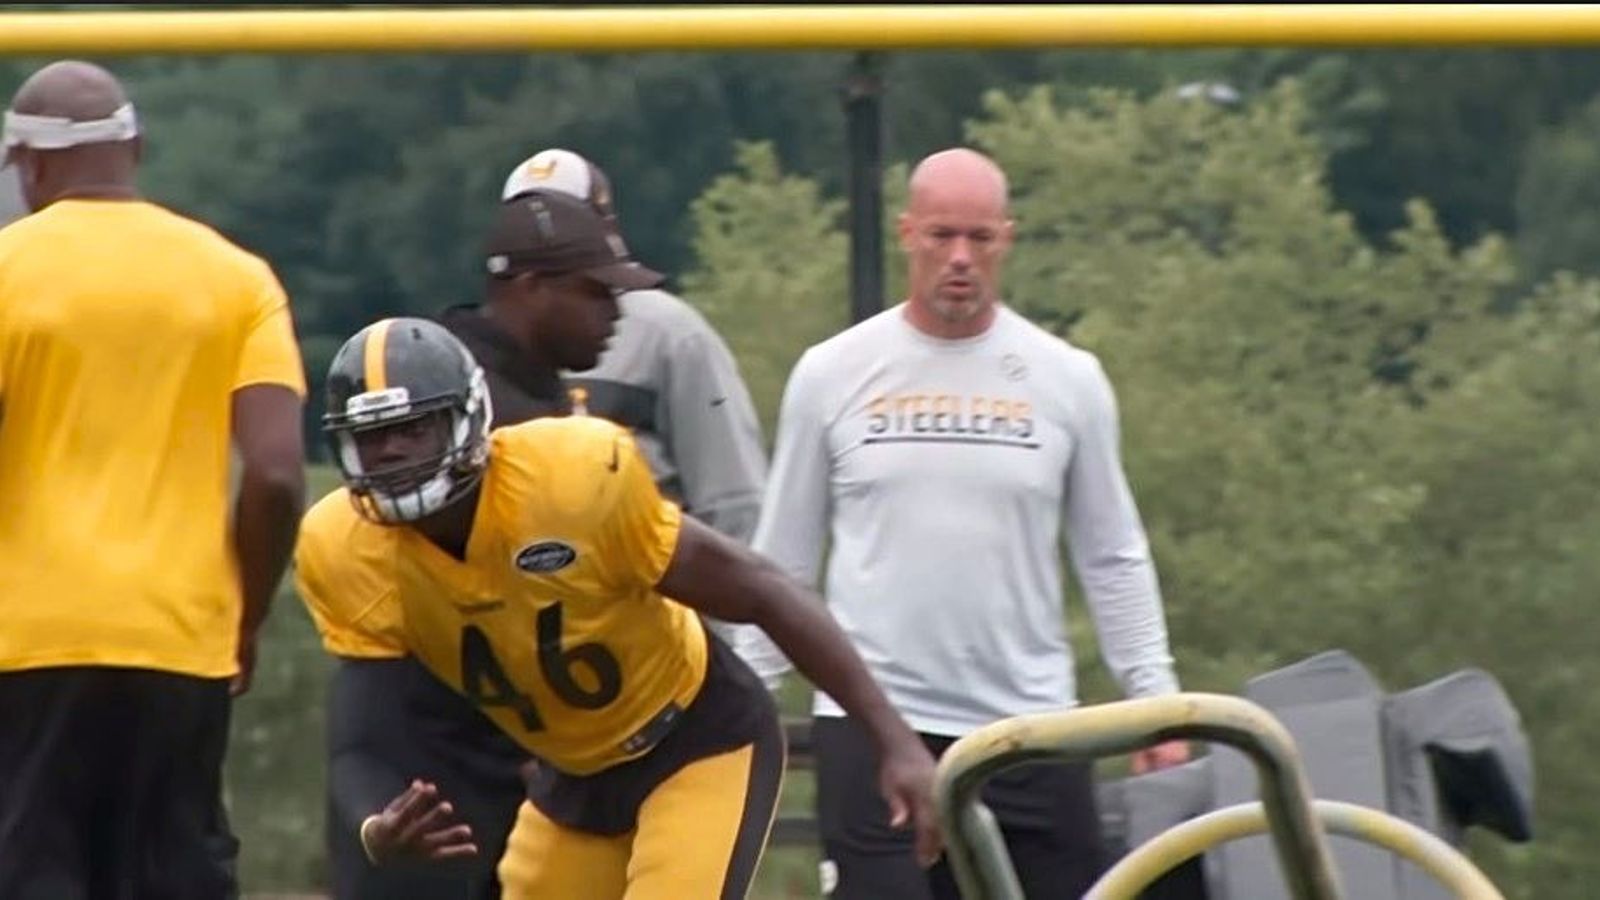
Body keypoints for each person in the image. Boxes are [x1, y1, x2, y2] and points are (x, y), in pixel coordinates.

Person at [294, 294, 942, 900]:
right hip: (572, 779)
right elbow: (363, 740)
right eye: (373, 436)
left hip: (696, 739)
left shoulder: (570, 482)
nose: (394, 451)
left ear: (467, 420)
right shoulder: (345, 548)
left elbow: (763, 590)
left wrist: (894, 741)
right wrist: (374, 825)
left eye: (417, 427)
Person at [742, 147, 1189, 899]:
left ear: (1006, 240)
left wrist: (1158, 701)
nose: (959, 258)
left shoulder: (1067, 378)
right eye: (942, 235)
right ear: (907, 233)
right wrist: (746, 699)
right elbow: (780, 560)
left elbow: (1111, 553)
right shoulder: (833, 372)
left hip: (1034, 725)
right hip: (877, 722)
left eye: (979, 239)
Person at [0, 60, 306, 899]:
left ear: (28, 163)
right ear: (135, 146)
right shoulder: (237, 278)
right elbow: (278, 475)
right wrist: (245, 614)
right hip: (180, 637)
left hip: (26, 640)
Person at [499, 148, 768, 546]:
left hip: (653, 592)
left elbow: (733, 496)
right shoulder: (484, 347)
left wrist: (721, 606)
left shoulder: (670, 334)